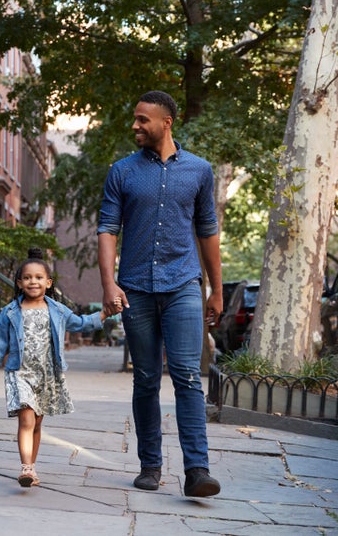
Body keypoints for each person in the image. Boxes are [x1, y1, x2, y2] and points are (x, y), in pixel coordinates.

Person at [97, 90, 224, 498]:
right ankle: (150, 465)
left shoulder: (200, 171)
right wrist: (108, 283)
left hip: (184, 284)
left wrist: (216, 290)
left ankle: (197, 470)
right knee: (147, 378)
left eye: (142, 119)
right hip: (135, 288)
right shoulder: (122, 171)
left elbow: (208, 231)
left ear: (166, 122)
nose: (135, 125)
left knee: (187, 376)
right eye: (134, 119)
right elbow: (107, 230)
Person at [0, 251, 112, 487]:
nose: (33, 282)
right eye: (28, 278)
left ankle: (31, 469)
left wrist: (103, 314)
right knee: (26, 420)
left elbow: (81, 323)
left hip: (47, 374)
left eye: (39, 277)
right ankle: (25, 467)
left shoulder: (58, 310)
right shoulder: (10, 312)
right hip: (19, 372)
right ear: (20, 283)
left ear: (48, 282)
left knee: (37, 423)